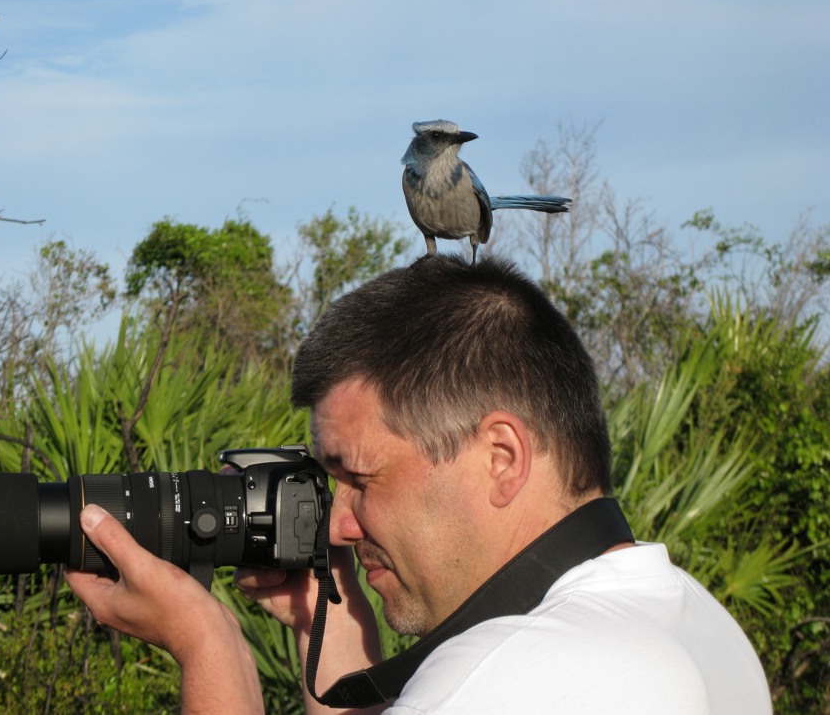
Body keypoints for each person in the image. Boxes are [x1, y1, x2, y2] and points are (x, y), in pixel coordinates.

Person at [65, 254, 772, 714]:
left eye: (360, 478)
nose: (337, 524)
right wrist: (330, 619)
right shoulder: (695, 623)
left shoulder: (522, 668)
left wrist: (208, 645)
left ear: (501, 457)